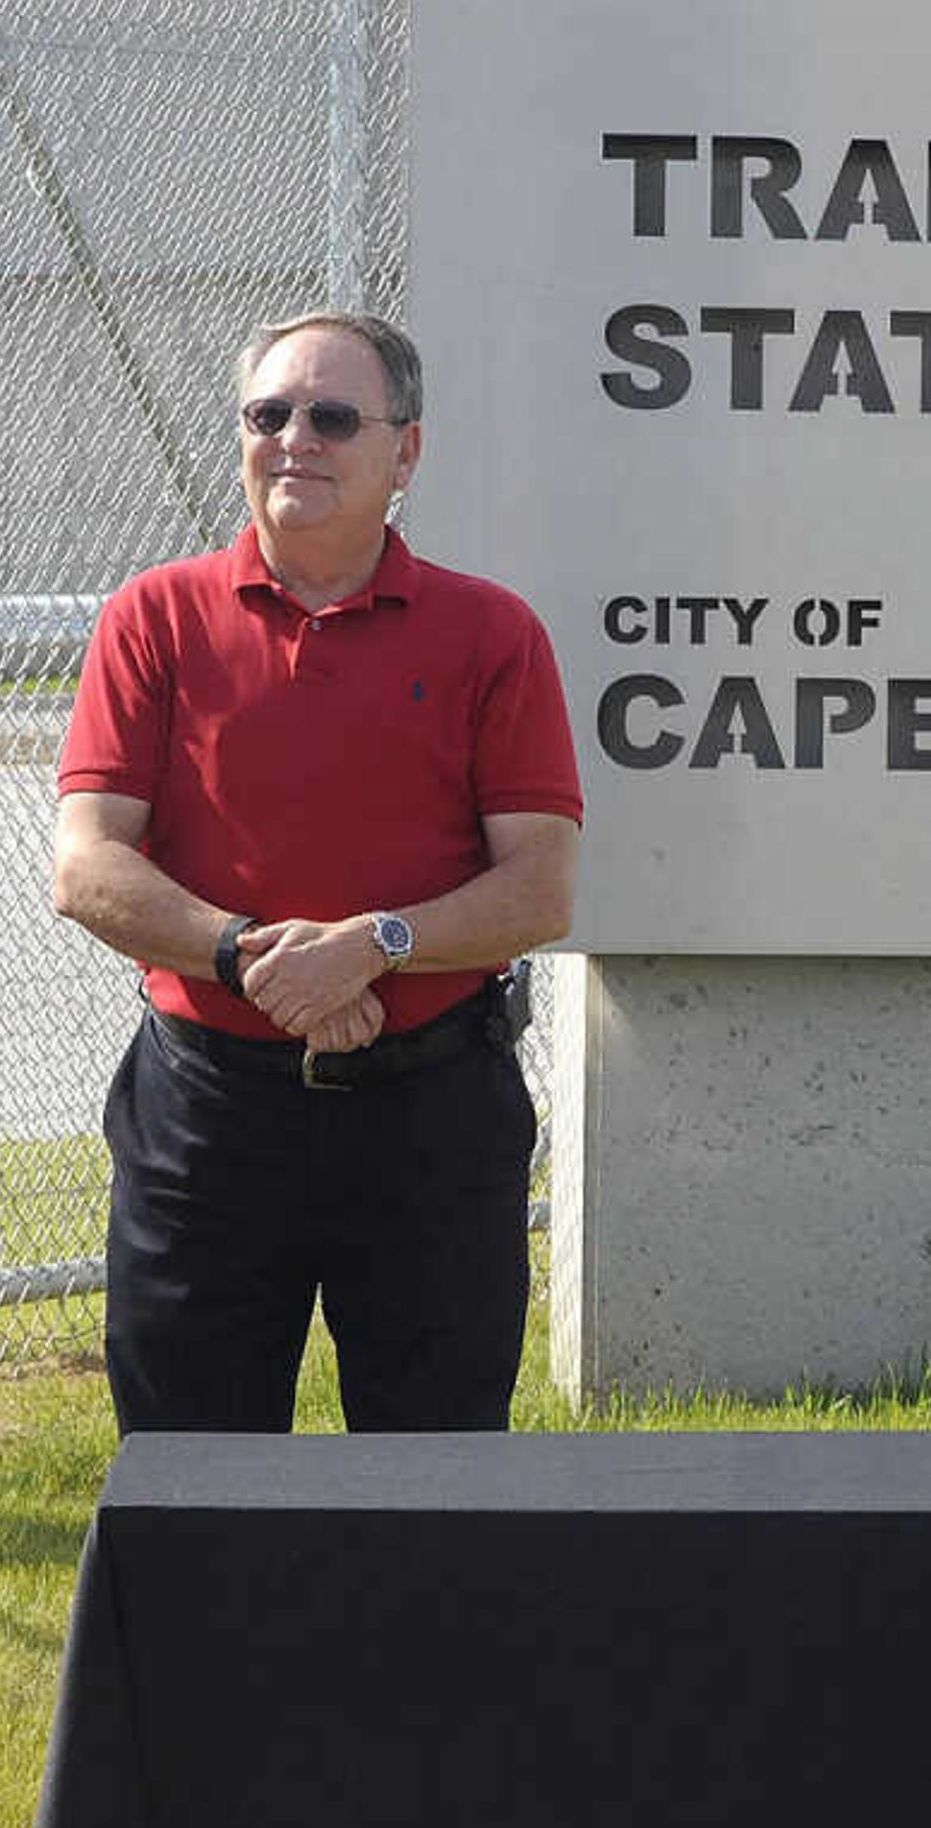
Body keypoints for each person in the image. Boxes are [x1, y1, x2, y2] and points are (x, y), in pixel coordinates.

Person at [52, 310, 581, 1435]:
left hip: (431, 1120)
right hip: (208, 1119)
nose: (297, 438)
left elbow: (541, 887)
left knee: (436, 1495)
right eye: (268, 413)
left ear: (407, 450)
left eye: (334, 416)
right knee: (193, 1483)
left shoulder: (493, 634)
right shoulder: (155, 619)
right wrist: (249, 957)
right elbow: (88, 862)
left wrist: (371, 944)